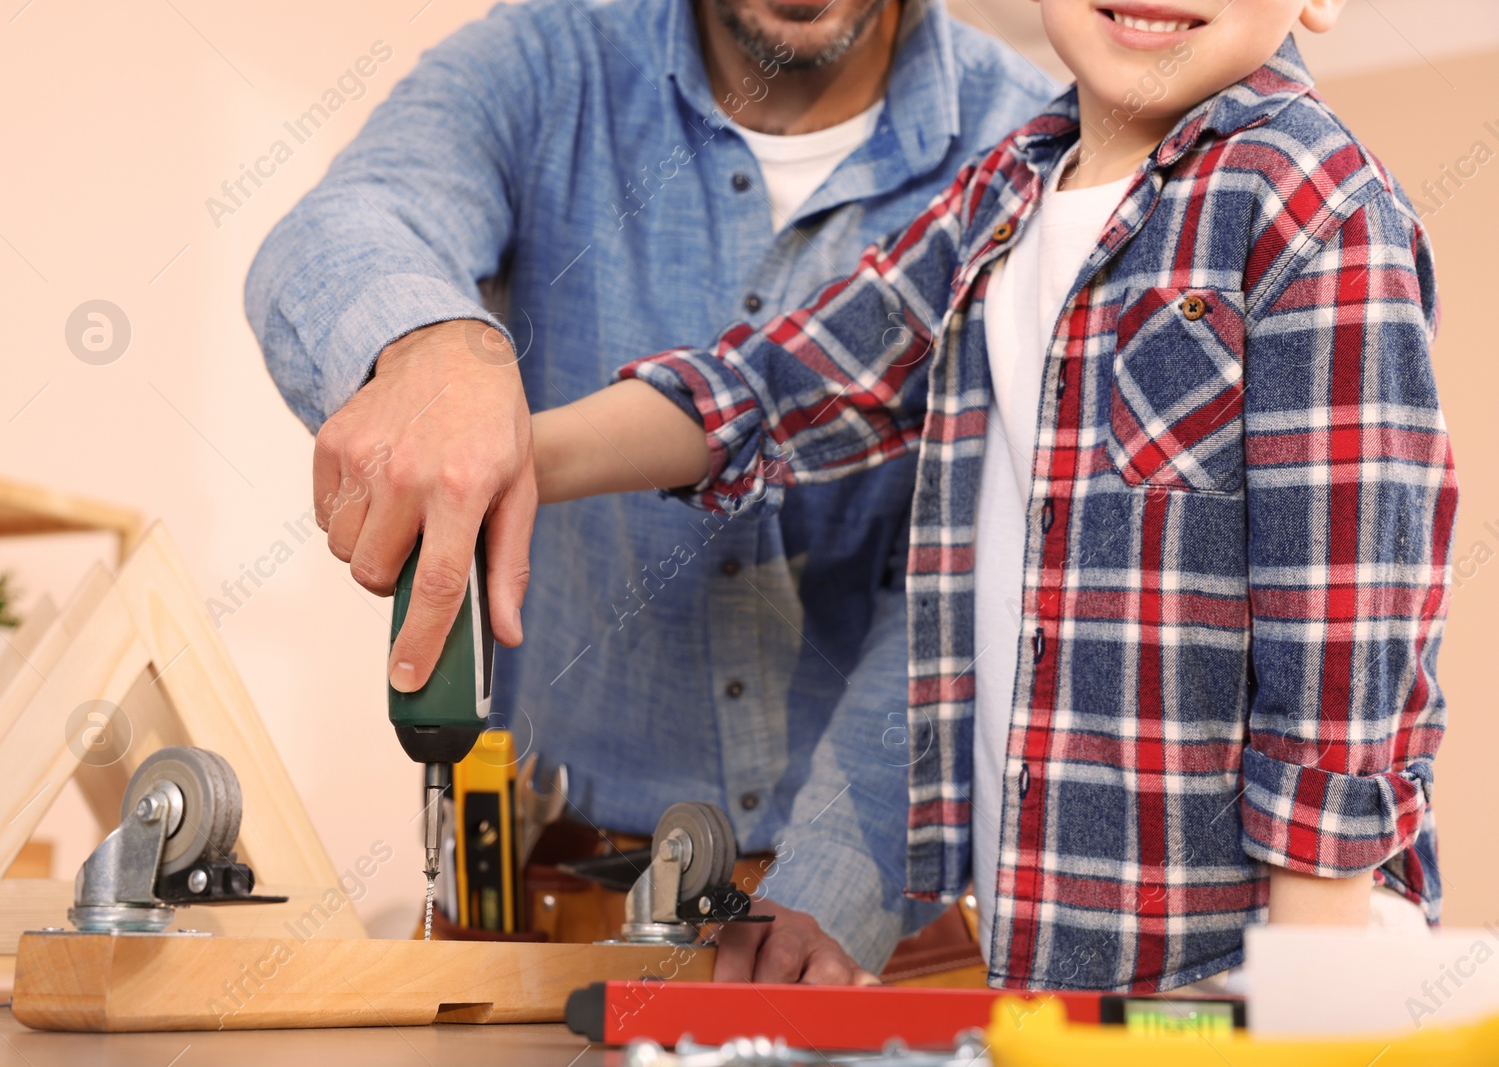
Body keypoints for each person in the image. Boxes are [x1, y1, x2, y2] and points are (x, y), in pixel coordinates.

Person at [527, 0, 1454, 990]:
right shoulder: (1007, 192)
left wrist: (1309, 987)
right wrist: (510, 458)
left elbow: (1346, 625)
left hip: (1253, 966)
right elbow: (785, 383)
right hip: (1054, 958)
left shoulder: (1311, 201)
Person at [247, 0, 1056, 980]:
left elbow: (973, 580)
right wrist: (430, 350)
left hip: (889, 952)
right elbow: (349, 223)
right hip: (550, 935)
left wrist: (836, 883)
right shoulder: (549, 57)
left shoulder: (1037, 150)